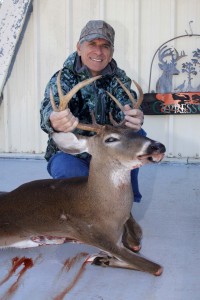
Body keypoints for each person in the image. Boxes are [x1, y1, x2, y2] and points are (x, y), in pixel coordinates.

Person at [40, 20, 145, 202]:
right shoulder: (63, 78)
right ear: (79, 48)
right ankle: (79, 212)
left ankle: (126, 203)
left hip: (108, 151)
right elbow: (49, 109)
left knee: (137, 135)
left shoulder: (119, 80)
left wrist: (133, 119)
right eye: (92, 44)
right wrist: (53, 119)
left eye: (105, 46)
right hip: (74, 150)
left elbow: (126, 107)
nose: (98, 52)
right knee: (69, 172)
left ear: (111, 52)